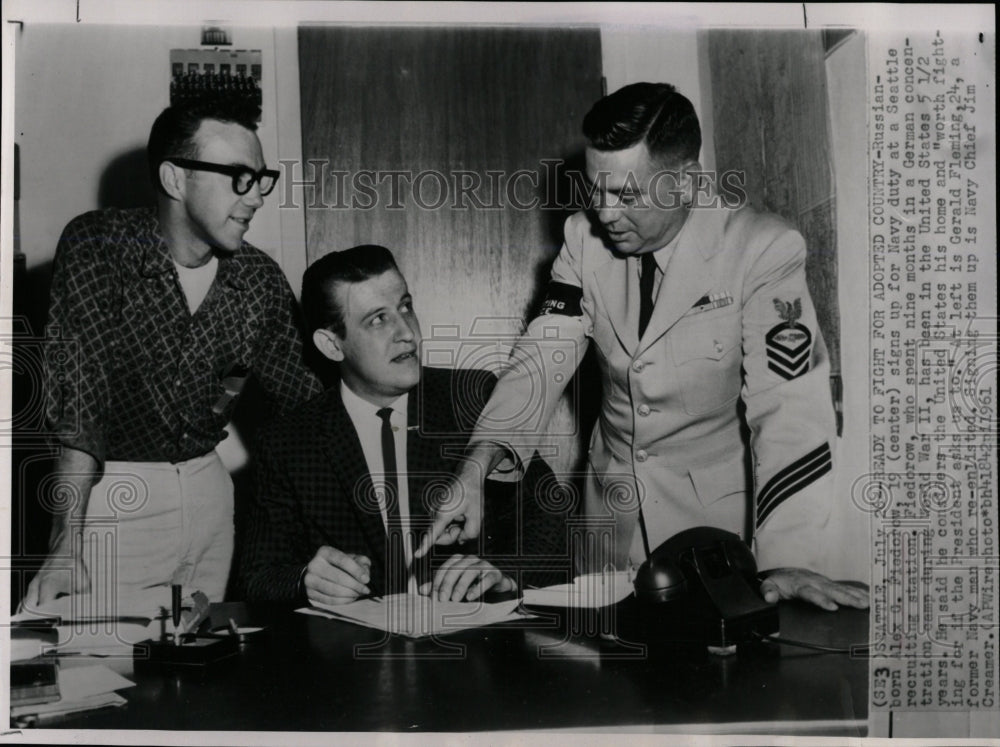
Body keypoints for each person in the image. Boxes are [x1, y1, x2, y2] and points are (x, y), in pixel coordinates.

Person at [418, 82, 869, 612]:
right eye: (596, 190)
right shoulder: (583, 244)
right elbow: (539, 362)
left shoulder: (760, 249)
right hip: (607, 536)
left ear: (686, 183)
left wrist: (791, 555)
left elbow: (790, 411)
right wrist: (477, 462)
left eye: (626, 196)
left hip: (714, 539)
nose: (605, 213)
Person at [24, 97, 323, 608]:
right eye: (237, 177)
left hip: (210, 495)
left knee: (203, 671)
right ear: (175, 179)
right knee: (94, 671)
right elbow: (81, 403)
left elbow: (309, 403)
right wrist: (65, 542)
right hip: (114, 496)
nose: (255, 198)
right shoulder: (100, 245)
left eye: (260, 178)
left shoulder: (259, 279)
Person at [240, 246, 563, 605]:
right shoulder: (287, 442)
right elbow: (258, 574)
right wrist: (305, 580)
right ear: (331, 345)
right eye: (378, 319)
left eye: (405, 306)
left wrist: (502, 572)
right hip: (356, 656)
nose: (407, 332)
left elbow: (552, 520)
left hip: (472, 649)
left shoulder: (473, 400)